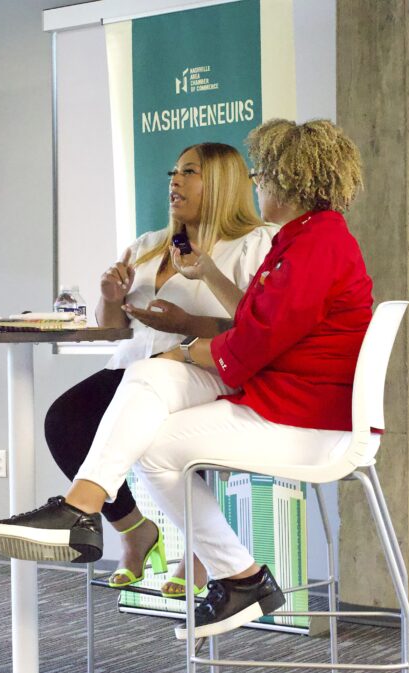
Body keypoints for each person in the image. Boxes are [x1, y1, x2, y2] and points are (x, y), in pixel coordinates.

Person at [0, 119, 373, 639]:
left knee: (156, 432)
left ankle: (231, 571)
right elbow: (259, 321)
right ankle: (90, 511)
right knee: (148, 397)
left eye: (265, 175)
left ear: (291, 180)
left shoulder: (312, 245)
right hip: (282, 392)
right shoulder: (306, 239)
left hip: (304, 414)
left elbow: (253, 344)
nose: (258, 183)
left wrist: (186, 349)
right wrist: (184, 339)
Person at [43, 142, 275, 597]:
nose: (174, 180)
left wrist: (187, 325)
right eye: (173, 171)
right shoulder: (148, 246)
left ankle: (202, 551)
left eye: (189, 172)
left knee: (175, 430)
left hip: (205, 368)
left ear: (223, 183)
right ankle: (133, 529)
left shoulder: (254, 243)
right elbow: (113, 330)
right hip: (134, 367)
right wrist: (110, 297)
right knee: (64, 420)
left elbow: (260, 325)